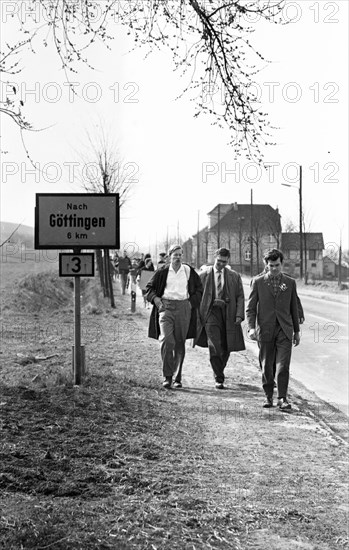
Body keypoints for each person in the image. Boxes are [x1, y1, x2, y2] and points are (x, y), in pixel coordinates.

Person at [246, 248, 300, 410]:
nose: (274, 268)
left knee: (283, 365)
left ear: (282, 264)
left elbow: (294, 309)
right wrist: (251, 328)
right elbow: (250, 308)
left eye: (277, 265)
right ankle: (268, 396)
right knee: (267, 364)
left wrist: (296, 331)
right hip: (265, 329)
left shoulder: (290, 283)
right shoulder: (258, 282)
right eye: (271, 265)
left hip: (284, 329)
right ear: (266, 265)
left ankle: (282, 398)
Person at [145, 244, 203, 389]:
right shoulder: (162, 271)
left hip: (184, 308)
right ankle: (167, 376)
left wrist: (191, 303)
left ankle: (177, 377)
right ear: (169, 256)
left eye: (180, 254)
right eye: (175, 254)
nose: (178, 257)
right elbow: (148, 288)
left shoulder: (188, 270)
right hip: (166, 308)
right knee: (166, 340)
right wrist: (157, 300)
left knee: (179, 342)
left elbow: (199, 289)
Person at [194, 248, 245, 389]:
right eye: (219, 261)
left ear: (228, 261)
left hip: (229, 314)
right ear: (214, 258)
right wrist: (199, 314)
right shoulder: (203, 276)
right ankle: (219, 377)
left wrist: (239, 315)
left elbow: (240, 296)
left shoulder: (234, 276)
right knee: (214, 344)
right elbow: (196, 297)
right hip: (210, 314)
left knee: (226, 346)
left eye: (224, 262)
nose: (221, 264)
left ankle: (219, 369)